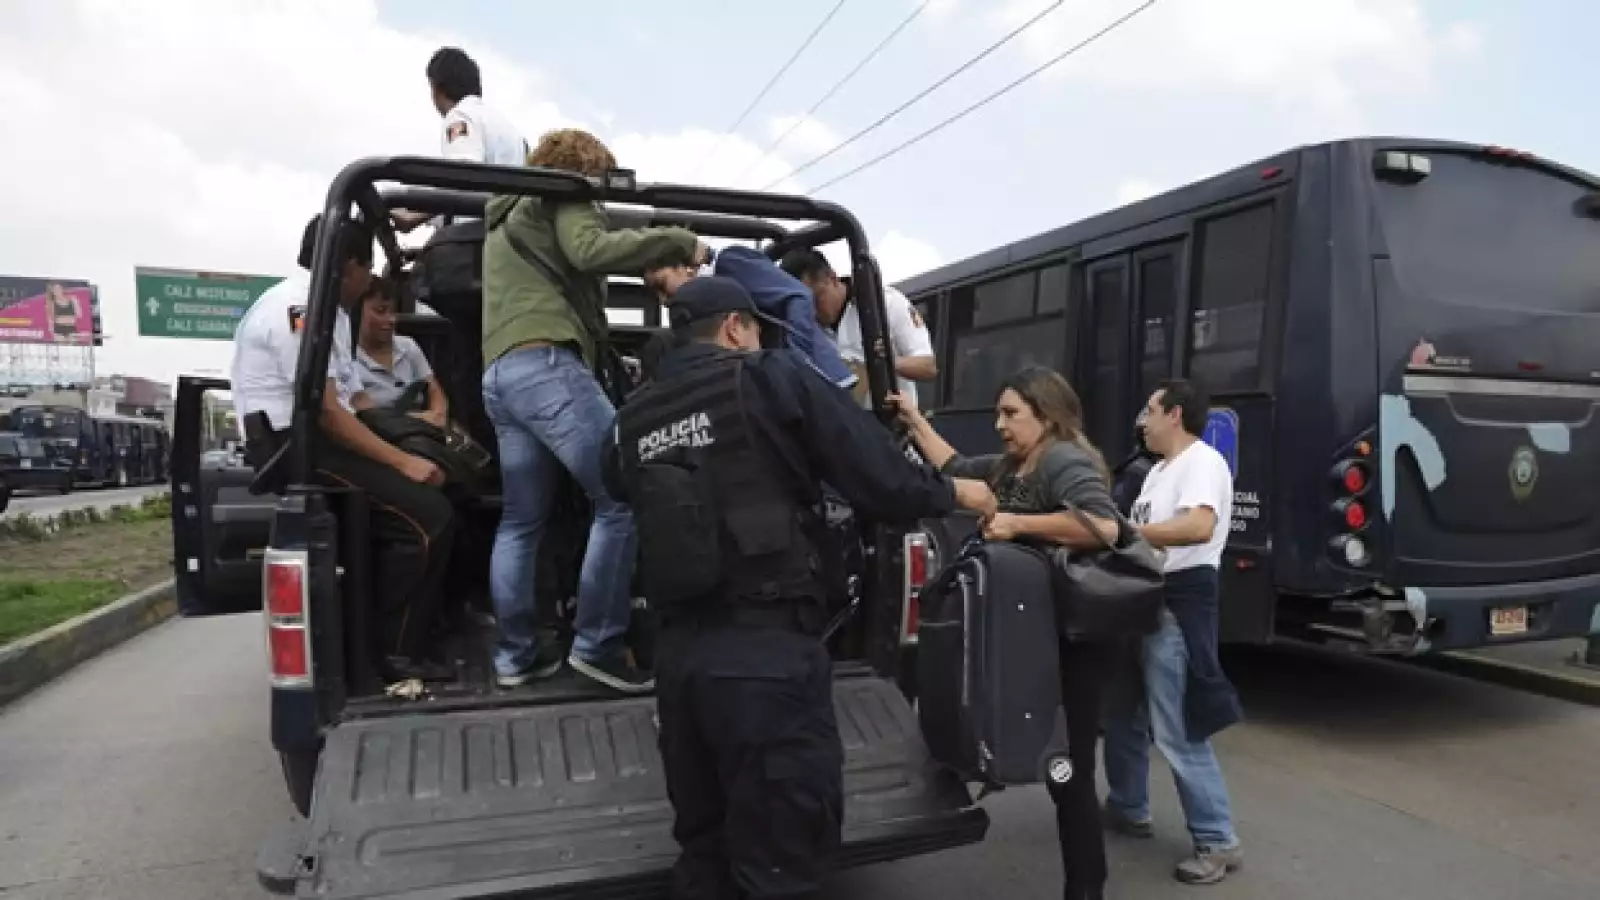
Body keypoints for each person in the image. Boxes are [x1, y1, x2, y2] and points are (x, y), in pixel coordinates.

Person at [603, 276, 997, 900]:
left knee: (705, 849)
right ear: (736, 326)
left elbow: (626, 492)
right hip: (766, 656)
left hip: (679, 664)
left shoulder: (631, 419)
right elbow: (878, 477)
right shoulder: (768, 377)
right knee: (782, 856)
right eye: (756, 329)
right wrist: (956, 493)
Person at [482, 127, 709, 693]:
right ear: (586, 169)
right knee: (624, 492)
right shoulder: (566, 193)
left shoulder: (504, 214)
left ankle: (516, 656)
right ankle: (598, 645)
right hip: (547, 364)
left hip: (500, 374)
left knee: (520, 519)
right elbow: (591, 250)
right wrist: (678, 240)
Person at [892, 365, 1121, 900]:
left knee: (1070, 771)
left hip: (1077, 644)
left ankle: (1086, 889)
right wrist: (911, 419)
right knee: (1049, 754)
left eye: (1011, 413)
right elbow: (954, 465)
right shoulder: (1016, 464)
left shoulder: (1063, 459)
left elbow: (1104, 525)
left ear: (1047, 415)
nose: (1000, 424)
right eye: (999, 412)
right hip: (1039, 636)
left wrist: (1020, 524)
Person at [230, 214, 456, 681]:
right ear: (347, 266)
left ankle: (426, 623)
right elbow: (330, 413)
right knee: (427, 519)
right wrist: (403, 463)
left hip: (320, 437)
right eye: (366, 271)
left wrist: (428, 436)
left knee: (447, 486)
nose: (367, 284)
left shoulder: (326, 311)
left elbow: (358, 400)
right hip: (295, 447)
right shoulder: (298, 308)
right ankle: (396, 654)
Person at [1101, 378, 1245, 885]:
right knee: (1122, 713)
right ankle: (1127, 806)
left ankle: (1217, 840)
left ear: (1175, 415)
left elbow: (1197, 527)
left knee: (1177, 729)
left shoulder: (1201, 462)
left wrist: (1125, 532)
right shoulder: (1159, 471)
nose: (1143, 420)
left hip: (1177, 604)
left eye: (1150, 411)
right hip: (1144, 600)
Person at [779, 248, 936, 409]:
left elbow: (927, 367)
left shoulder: (885, 303)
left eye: (816, 299)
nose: (811, 311)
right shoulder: (800, 327)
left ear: (832, 278)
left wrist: (883, 363)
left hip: (890, 425)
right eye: (801, 305)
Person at [393, 47, 529, 232]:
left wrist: (416, 213)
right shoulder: (502, 125)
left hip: (478, 239)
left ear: (437, 88)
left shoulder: (461, 116)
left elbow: (463, 176)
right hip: (504, 234)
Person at [354, 277, 449, 427]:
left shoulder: (408, 346)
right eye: (381, 311)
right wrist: (418, 419)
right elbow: (370, 418)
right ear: (357, 313)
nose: (391, 319)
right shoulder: (349, 360)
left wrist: (438, 415)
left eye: (393, 311)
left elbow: (434, 389)